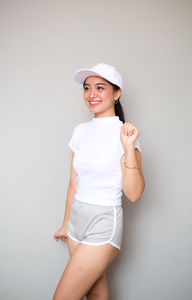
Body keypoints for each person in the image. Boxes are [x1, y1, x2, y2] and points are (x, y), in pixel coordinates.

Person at [53, 63, 145, 300]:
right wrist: (65, 224)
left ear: (116, 93)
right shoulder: (80, 131)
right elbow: (74, 182)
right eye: (87, 88)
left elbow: (134, 194)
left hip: (103, 223)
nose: (91, 94)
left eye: (100, 87)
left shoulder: (125, 134)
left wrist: (128, 148)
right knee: (95, 294)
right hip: (76, 221)